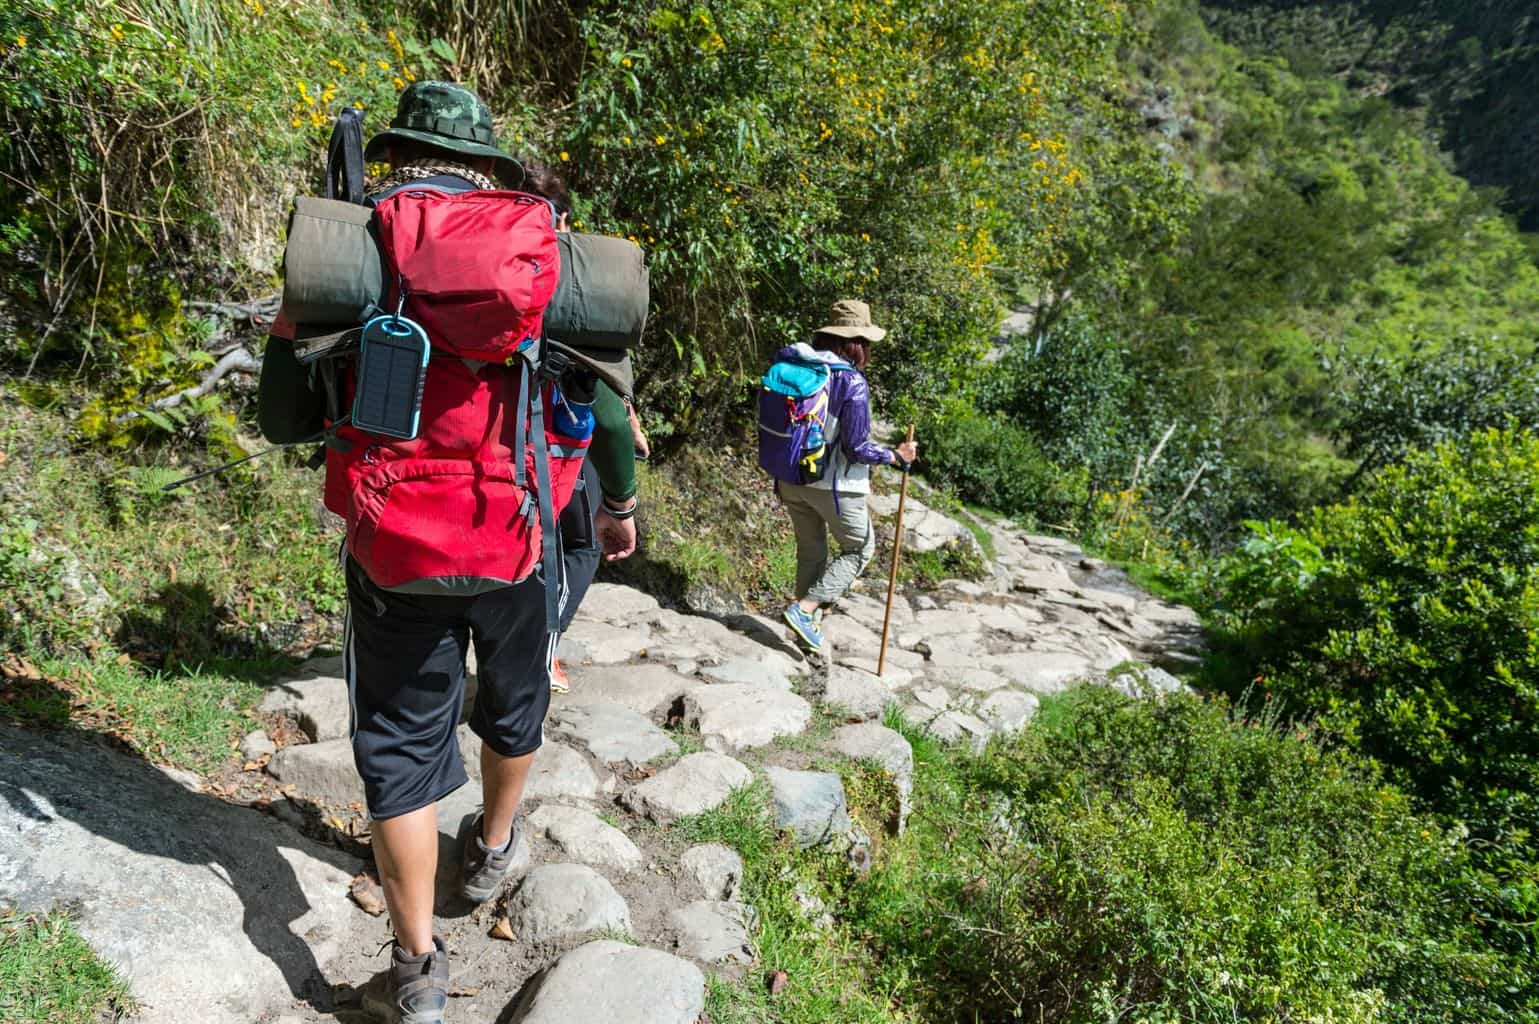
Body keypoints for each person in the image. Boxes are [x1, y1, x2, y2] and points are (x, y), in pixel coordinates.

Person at [264, 82, 639, 1024]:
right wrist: (621, 501)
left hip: (394, 544)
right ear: (489, 168)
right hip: (519, 533)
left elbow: (281, 419)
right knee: (517, 698)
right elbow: (601, 408)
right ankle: (496, 844)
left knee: (398, 744)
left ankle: (419, 966)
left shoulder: (356, 252)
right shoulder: (540, 255)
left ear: (395, 157)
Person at [519, 163, 647, 694]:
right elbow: (605, 404)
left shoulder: (482, 263)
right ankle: (541, 654)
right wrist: (621, 504)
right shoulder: (575, 277)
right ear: (565, 218)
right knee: (578, 545)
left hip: (486, 438)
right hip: (563, 443)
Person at [775, 300, 917, 651]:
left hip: (790, 477)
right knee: (860, 549)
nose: (868, 350)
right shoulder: (850, 380)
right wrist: (895, 456)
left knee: (811, 552)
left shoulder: (796, 363)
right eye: (865, 342)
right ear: (854, 343)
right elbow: (855, 448)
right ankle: (805, 611)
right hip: (833, 485)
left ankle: (805, 631)